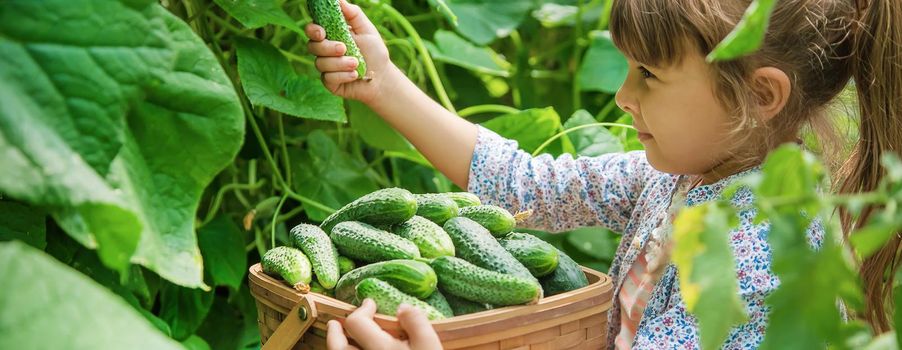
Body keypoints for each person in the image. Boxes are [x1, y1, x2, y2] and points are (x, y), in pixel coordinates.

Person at [307, 0, 901, 348]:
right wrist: (383, 86)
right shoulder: (683, 176)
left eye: (649, 73)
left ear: (760, 95)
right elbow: (526, 186)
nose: (622, 94)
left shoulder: (760, 267)